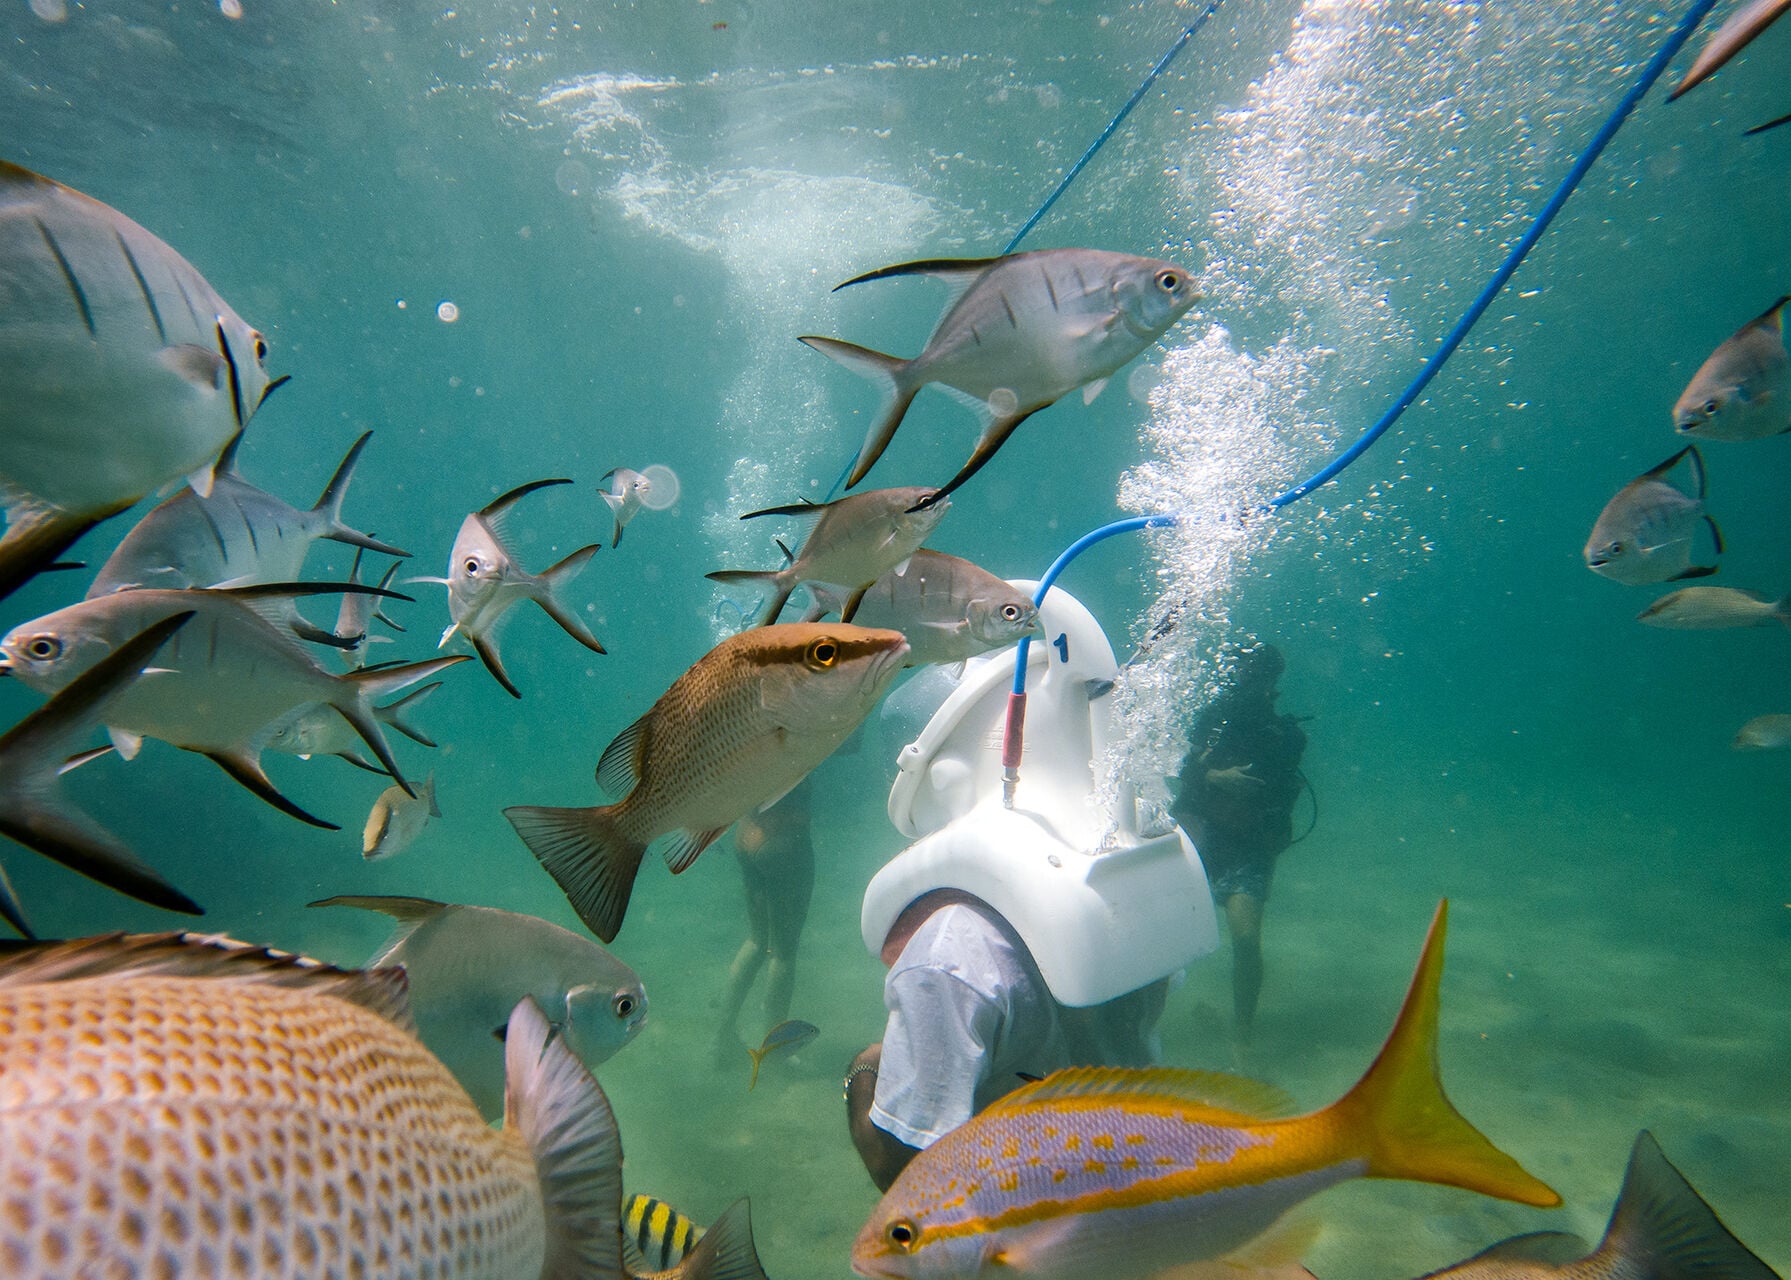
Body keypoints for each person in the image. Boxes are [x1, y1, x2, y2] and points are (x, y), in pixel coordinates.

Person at [844, 584, 1217, 1190]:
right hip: (1142, 1184)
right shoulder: (1127, 881)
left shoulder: (945, 955)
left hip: (1029, 1227)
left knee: (869, 1065)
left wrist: (860, 1079)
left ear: (944, 772)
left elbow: (909, 1179)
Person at [1170, 642, 1308, 1061]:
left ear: (1272, 681)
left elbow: (1284, 793)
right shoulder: (1211, 719)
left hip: (1247, 847)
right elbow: (1171, 765)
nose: (1250, 684)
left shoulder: (1285, 735)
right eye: (1245, 674)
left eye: (1259, 676)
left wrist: (1270, 828)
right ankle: (1135, 1017)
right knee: (1162, 933)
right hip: (1198, 838)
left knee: (1246, 939)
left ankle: (1242, 1033)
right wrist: (1214, 775)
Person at [713, 774, 816, 1066]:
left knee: (757, 941)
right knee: (783, 954)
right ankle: (774, 1053)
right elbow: (848, 742)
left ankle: (722, 1038)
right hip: (785, 840)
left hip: (747, 835)